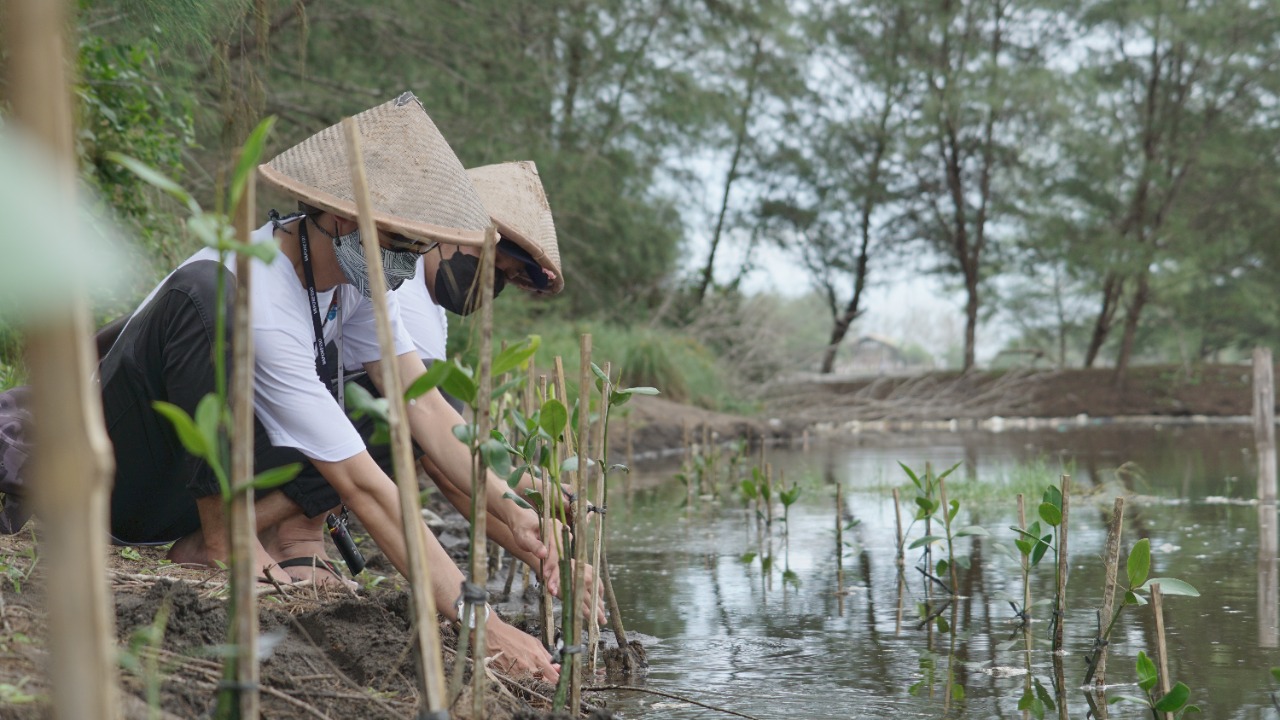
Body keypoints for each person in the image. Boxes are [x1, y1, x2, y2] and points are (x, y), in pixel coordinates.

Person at [101, 92, 558, 679]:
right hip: (130, 475)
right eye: (399, 246)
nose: (404, 268)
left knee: (385, 413)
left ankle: (231, 537)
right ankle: (223, 543)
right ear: (343, 221)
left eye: (418, 250)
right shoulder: (259, 292)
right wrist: (483, 626)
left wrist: (513, 508)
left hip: (205, 479)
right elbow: (363, 488)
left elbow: (424, 411)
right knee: (206, 295)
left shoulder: (358, 277)